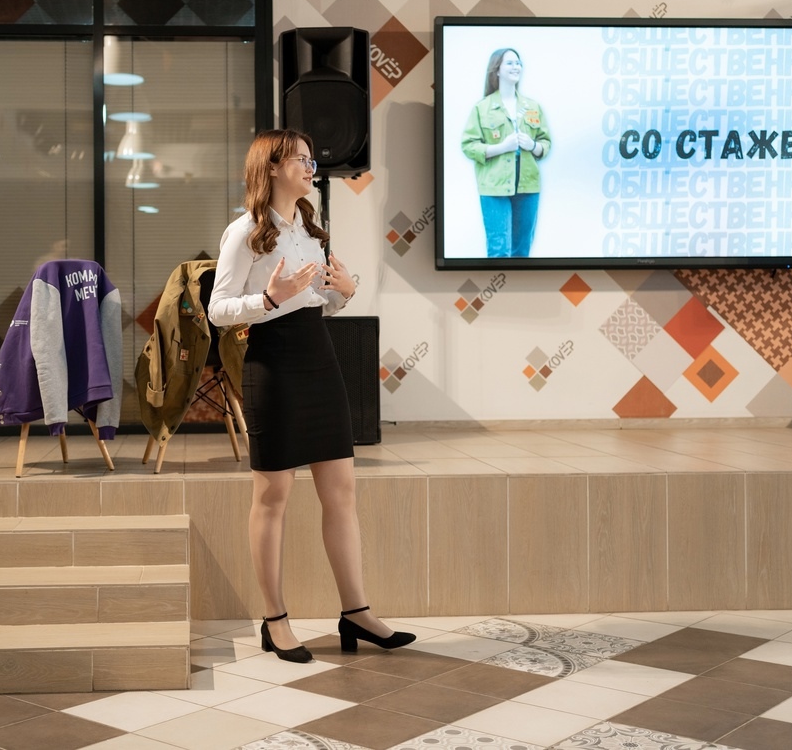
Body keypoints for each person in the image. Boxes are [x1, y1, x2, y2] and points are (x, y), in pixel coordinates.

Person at [208, 129, 415, 662]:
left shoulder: (310, 228)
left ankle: (356, 612)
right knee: (273, 496)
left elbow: (318, 299)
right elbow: (218, 310)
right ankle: (274, 620)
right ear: (272, 167)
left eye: (311, 159)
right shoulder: (245, 232)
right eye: (300, 159)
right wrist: (267, 298)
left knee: (341, 491)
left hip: (319, 359)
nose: (310, 167)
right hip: (272, 364)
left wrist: (344, 293)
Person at [461, 48, 552, 257]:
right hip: (494, 187)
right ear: (497, 70)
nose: (516, 66)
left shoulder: (533, 107)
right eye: (510, 63)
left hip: (528, 185)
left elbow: (545, 144)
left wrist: (532, 145)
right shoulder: (482, 108)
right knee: (498, 249)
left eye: (518, 63)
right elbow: (468, 145)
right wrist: (502, 147)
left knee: (522, 249)